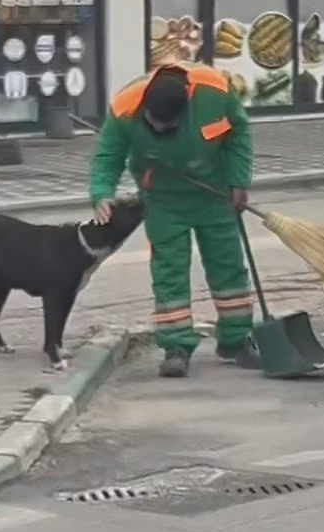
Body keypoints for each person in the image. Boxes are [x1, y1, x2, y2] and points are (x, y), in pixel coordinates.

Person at [89, 62, 258, 379]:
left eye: (169, 126)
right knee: (169, 269)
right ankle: (176, 346)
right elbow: (108, 155)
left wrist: (239, 181)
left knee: (228, 264)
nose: (161, 131)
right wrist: (101, 193)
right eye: (154, 125)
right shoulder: (126, 105)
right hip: (163, 198)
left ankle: (236, 339)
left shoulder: (216, 92)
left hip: (214, 194)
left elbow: (239, 135)